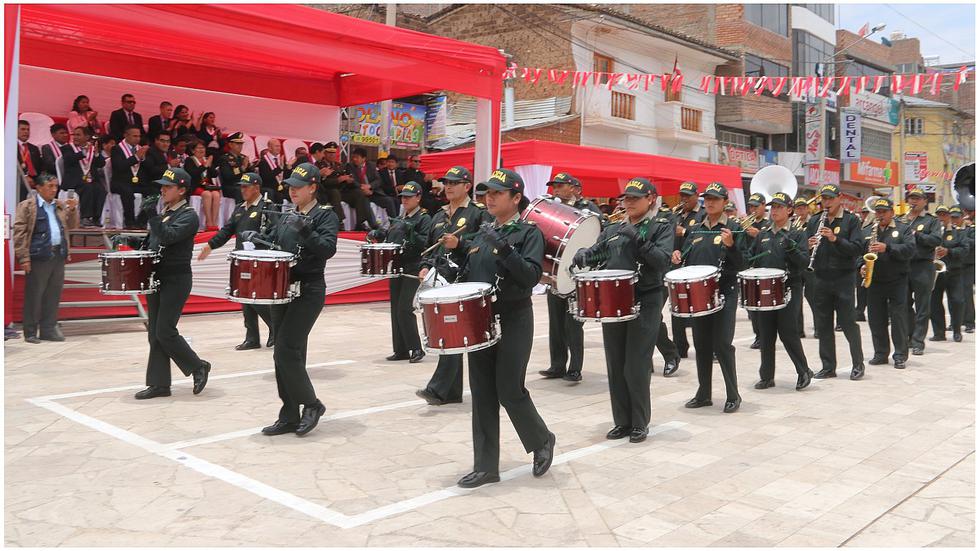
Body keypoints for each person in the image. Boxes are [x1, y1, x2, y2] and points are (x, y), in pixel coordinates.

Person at [422, 168, 555, 488]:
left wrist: (506, 249)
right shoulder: (481, 232)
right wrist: (447, 267)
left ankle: (542, 439)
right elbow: (466, 275)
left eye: (497, 193)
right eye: (487, 193)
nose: (489, 197)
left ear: (516, 198)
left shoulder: (528, 233)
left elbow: (530, 278)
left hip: (514, 318)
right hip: (480, 320)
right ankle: (485, 467)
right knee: (481, 393)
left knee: (509, 389)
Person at [572, 177, 673, 441]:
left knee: (636, 365)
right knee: (615, 364)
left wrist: (639, 240)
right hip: (613, 301)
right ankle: (622, 421)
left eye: (634, 198)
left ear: (650, 198)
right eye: (625, 198)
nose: (628, 202)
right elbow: (599, 252)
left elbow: (662, 261)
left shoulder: (661, 226)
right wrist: (584, 253)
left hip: (645, 299)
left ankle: (639, 422)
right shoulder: (613, 228)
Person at [243, 162, 339, 437]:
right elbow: (274, 243)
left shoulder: (324, 216)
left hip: (308, 289)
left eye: (298, 187)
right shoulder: (286, 215)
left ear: (312, 187)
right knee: (283, 355)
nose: (293, 191)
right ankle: (288, 414)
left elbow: (327, 250)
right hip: (281, 288)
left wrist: (306, 230)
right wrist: (257, 238)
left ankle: (312, 405)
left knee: (285, 349)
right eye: (290, 187)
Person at [125, 168, 211, 399]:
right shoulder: (166, 212)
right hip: (157, 276)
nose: (162, 189)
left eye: (168, 186)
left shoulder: (188, 215)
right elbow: (152, 242)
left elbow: (169, 237)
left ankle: (197, 365)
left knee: (165, 330)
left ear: (182, 190)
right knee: (154, 333)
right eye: (162, 185)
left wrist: (152, 215)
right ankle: (159, 384)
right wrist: (129, 241)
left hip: (176, 278)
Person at [415, 166, 492, 406]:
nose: (448, 186)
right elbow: (430, 247)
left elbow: (486, 242)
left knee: (451, 332)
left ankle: (439, 388)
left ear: (467, 186)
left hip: (464, 280)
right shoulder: (438, 215)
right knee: (448, 332)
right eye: (446, 182)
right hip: (440, 280)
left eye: (454, 182)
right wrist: (425, 267)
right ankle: (449, 392)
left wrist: (460, 243)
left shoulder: (477, 213)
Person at [672, 182, 745, 413]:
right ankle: (704, 393)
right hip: (699, 294)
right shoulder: (694, 229)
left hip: (724, 292)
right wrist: (676, 256)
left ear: (725, 202)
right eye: (707, 198)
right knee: (701, 345)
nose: (710, 202)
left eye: (715, 199)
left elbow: (744, 264)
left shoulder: (734, 228)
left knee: (722, 344)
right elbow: (686, 259)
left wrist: (732, 246)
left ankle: (733, 394)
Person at [198, 172, 278, 349]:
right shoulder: (240, 208)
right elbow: (227, 231)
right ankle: (252, 337)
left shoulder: (267, 207)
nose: (242, 190)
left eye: (246, 186)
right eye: (241, 186)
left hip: (259, 260)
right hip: (241, 259)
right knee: (245, 299)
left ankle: (275, 327)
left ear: (256, 188)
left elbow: (275, 232)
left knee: (255, 299)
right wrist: (210, 245)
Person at [538, 172, 601, 383]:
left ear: (575, 188)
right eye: (554, 185)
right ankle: (557, 365)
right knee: (555, 324)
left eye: (560, 185)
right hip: (555, 273)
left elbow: (597, 237)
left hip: (577, 277)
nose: (555, 188)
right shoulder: (552, 209)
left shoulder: (588, 209)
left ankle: (575, 368)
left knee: (572, 324)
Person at [747, 192, 812, 390]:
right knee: (766, 333)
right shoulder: (764, 234)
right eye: (772, 207)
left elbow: (804, 263)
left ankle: (803, 371)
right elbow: (752, 257)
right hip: (766, 288)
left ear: (789, 210)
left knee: (788, 332)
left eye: (778, 207)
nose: (774, 211)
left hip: (788, 286)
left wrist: (792, 248)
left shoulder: (797, 233)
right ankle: (766, 376)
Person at [805, 183, 866, 380]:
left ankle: (858, 364)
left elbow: (856, 248)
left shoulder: (851, 221)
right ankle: (828, 366)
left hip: (843, 278)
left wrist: (834, 239)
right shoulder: (815, 221)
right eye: (824, 198)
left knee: (848, 322)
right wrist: (808, 245)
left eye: (831, 198)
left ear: (839, 198)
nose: (827, 202)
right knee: (823, 324)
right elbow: (804, 245)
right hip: (821, 277)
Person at [367, 181, 432, 363]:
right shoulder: (400, 217)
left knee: (405, 309)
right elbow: (391, 236)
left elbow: (425, 243)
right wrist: (379, 234)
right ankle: (401, 349)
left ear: (418, 198)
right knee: (396, 309)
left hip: (413, 267)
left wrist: (410, 231)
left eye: (409, 197)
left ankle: (416, 348)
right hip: (397, 267)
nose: (405, 200)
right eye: (403, 197)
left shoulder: (424, 218)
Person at [13, 174, 79, 343]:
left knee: (53, 294)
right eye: (50, 186)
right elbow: (19, 233)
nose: (54, 190)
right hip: (38, 256)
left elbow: (72, 226)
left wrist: (72, 210)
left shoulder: (59, 205)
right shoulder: (27, 206)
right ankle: (30, 331)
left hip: (58, 254)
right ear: (39, 188)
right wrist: (24, 258)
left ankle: (49, 329)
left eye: (55, 186)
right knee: (34, 294)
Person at [861, 198, 915, 370]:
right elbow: (858, 253)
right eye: (878, 212)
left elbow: (909, 250)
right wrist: (861, 266)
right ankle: (880, 353)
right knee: (876, 319)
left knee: (898, 318)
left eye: (884, 211)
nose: (881, 215)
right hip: (875, 280)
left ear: (892, 212)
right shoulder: (868, 231)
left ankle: (900, 355)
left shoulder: (903, 229)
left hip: (897, 280)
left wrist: (888, 248)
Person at [901, 188, 943, 355]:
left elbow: (936, 240)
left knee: (922, 306)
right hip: (904, 266)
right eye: (911, 199)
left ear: (925, 201)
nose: (913, 202)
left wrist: (917, 234)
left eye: (917, 199)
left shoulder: (931, 221)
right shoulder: (901, 219)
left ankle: (918, 341)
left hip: (923, 266)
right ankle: (909, 336)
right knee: (903, 304)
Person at [669, 181, 703, 360]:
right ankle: (679, 347)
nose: (684, 199)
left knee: (696, 308)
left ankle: (705, 347)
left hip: (694, 266)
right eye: (682, 195)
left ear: (696, 196)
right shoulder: (676, 214)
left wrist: (685, 232)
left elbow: (701, 234)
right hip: (676, 267)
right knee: (676, 309)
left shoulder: (703, 214)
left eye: (688, 196)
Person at [930, 206, 968, 342]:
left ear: (949, 216)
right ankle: (939, 332)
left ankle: (957, 330)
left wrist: (948, 251)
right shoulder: (933, 231)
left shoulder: (958, 232)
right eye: (939, 215)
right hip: (936, 272)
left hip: (954, 272)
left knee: (957, 301)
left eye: (944, 215)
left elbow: (965, 250)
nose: (941, 218)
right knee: (934, 302)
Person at [60, 126, 106, 227]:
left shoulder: (93, 149)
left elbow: (101, 164)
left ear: (87, 137)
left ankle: (96, 218)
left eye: (78, 135)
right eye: (74, 135)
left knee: (100, 189)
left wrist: (97, 154)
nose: (75, 137)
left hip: (89, 180)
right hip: (74, 180)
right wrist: (84, 153)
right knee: (87, 187)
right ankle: (85, 217)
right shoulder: (67, 148)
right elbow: (69, 159)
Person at [742, 192, 769, 350]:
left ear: (763, 206)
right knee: (751, 307)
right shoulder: (745, 223)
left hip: (763, 267)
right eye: (750, 206)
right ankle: (758, 335)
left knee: (763, 306)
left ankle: (764, 336)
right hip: (748, 268)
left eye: (756, 206)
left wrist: (758, 235)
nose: (753, 209)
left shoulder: (768, 224)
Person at [110, 125, 150, 229]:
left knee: (153, 191)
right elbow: (119, 166)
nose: (137, 139)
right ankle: (130, 222)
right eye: (134, 136)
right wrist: (136, 157)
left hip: (136, 183)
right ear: (126, 135)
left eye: (139, 136)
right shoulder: (116, 149)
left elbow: (146, 168)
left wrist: (144, 159)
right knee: (127, 191)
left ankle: (141, 221)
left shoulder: (141, 149)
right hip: (120, 182)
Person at [348, 147, 397, 218]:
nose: (354, 159)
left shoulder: (371, 165)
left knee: (389, 201)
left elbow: (378, 180)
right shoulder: (350, 166)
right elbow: (352, 181)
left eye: (357, 157)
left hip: (373, 192)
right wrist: (363, 188)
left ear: (364, 158)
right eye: (353, 157)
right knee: (364, 201)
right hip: (360, 193)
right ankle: (369, 225)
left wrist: (370, 186)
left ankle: (394, 224)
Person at [184, 139, 221, 230]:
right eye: (199, 148)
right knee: (207, 194)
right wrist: (204, 166)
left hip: (207, 186)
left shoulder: (206, 160)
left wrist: (209, 165)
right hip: (196, 186)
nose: (201, 150)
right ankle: (208, 222)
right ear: (193, 150)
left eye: (203, 148)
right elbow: (192, 174)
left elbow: (215, 174)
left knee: (216, 195)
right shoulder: (190, 160)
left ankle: (214, 222)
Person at [794, 196, 817, 338]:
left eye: (803, 207)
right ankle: (798, 330)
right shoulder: (792, 224)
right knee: (796, 299)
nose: (800, 210)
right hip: (797, 264)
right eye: (798, 208)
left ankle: (819, 328)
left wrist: (810, 245)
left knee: (813, 297)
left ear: (807, 209)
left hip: (811, 264)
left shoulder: (814, 223)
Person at [217, 132, 251, 203]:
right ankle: (240, 211)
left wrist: (252, 166)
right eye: (237, 144)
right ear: (230, 145)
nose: (240, 146)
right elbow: (227, 176)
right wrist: (242, 168)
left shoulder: (243, 157)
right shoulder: (224, 158)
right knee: (240, 190)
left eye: (241, 144)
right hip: (230, 185)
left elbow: (250, 172)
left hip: (244, 184)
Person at [17, 120, 43, 202]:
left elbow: (40, 167)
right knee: (22, 185)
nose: (26, 132)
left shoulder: (34, 148)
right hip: (19, 178)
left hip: (35, 178)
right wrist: (24, 177)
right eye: (23, 129)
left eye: (28, 130)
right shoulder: (10, 146)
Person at [961, 208, 976, 334]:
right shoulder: (954, 230)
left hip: (969, 264)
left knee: (966, 293)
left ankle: (970, 322)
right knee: (954, 295)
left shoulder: (973, 230)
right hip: (956, 264)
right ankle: (957, 321)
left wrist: (964, 233)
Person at [259, 138, 288, 204]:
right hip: (270, 188)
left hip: (281, 187)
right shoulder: (263, 161)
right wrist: (279, 168)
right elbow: (266, 177)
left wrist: (289, 168)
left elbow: (285, 175)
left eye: (279, 146)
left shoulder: (280, 159)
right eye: (276, 146)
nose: (279, 148)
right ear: (269, 148)